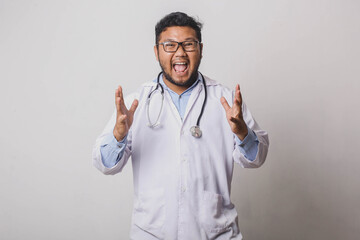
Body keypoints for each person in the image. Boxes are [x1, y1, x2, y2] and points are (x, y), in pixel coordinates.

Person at [93, 12, 269, 240]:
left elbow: (257, 158)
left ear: (201, 50)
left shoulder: (226, 101)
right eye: (169, 45)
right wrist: (118, 136)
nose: (180, 53)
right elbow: (105, 165)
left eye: (188, 44)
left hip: (216, 233)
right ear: (156, 51)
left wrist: (243, 133)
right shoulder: (136, 103)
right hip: (152, 233)